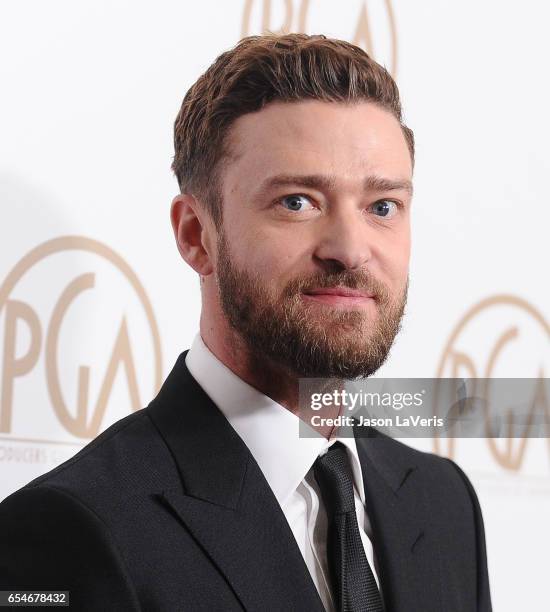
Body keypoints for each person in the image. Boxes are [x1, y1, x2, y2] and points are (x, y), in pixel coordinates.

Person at [0, 34, 492, 611]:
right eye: (297, 201)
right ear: (195, 235)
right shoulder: (69, 529)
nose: (349, 249)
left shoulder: (443, 503)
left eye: (382, 207)